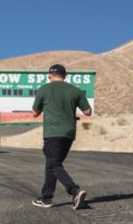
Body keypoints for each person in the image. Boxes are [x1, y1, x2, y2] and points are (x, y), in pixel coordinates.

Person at [30, 64, 93, 209]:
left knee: (53, 164)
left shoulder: (44, 89)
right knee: (53, 164)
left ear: (49, 75)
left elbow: (35, 113)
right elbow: (88, 112)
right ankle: (46, 198)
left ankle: (74, 191)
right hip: (69, 134)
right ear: (65, 76)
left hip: (53, 133)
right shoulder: (76, 91)